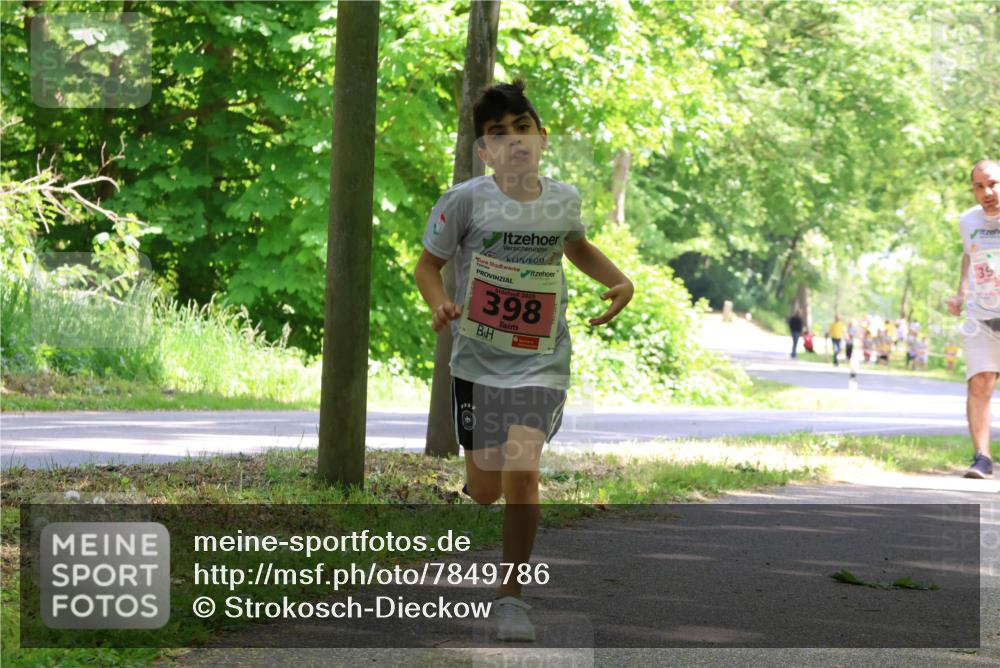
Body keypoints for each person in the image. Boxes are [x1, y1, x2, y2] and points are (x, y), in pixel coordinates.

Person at [414, 80, 634, 639]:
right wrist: (440, 304)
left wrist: (618, 280)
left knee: (524, 470)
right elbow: (427, 266)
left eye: (522, 128)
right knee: (487, 489)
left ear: (542, 136)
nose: (513, 142)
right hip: (477, 363)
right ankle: (477, 486)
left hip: (542, 359)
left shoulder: (564, 198)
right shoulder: (465, 201)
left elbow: (574, 245)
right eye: (497, 134)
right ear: (484, 151)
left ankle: (511, 596)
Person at [945, 159, 1000, 479]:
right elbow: (970, 255)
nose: (987, 192)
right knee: (980, 382)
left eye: (993, 184)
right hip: (981, 314)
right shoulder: (968, 221)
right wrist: (961, 292)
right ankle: (982, 457)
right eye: (979, 186)